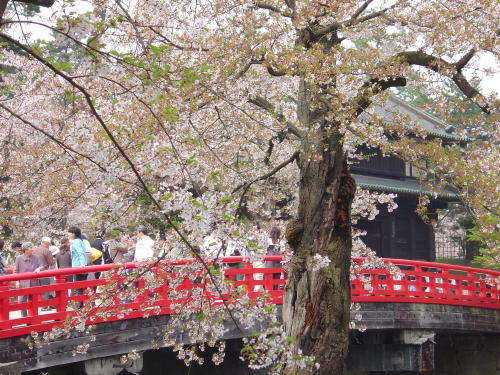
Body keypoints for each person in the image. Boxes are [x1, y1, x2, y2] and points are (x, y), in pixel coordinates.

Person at [14, 242, 44, 317]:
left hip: (33, 282)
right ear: (26, 249)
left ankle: (33, 317)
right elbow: (15, 271)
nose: (32, 249)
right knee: (21, 301)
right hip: (23, 283)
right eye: (31, 248)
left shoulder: (36, 257)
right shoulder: (19, 258)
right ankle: (24, 317)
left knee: (33, 301)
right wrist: (17, 281)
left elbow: (42, 266)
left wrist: (39, 268)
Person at [33, 237, 56, 305]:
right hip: (44, 271)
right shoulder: (47, 251)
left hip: (34, 272)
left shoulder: (34, 250)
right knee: (45, 288)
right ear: (48, 243)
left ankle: (36, 304)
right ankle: (45, 305)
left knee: (36, 289)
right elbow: (51, 262)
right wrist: (54, 259)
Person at [68, 227, 88, 303]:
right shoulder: (81, 241)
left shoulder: (76, 242)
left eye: (69, 233)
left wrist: (82, 264)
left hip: (78, 266)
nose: (68, 234)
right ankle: (82, 304)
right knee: (82, 287)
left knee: (78, 287)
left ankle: (79, 305)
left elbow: (81, 253)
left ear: (73, 233)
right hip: (82, 265)